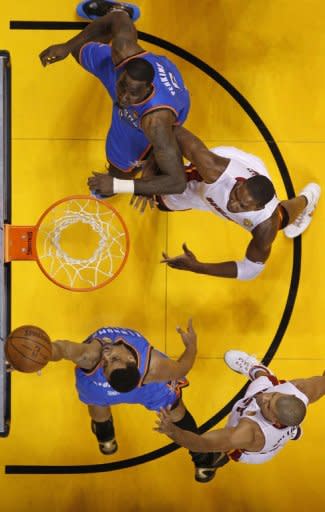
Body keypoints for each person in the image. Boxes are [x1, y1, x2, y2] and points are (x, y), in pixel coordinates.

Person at [39, 1, 190, 197]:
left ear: (148, 88)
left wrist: (118, 185)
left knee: (120, 172)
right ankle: (115, 6)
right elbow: (118, 20)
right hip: (137, 81)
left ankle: (129, 170)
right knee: (80, 47)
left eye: (132, 93)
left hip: (147, 112)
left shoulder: (155, 123)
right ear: (121, 66)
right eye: (122, 87)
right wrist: (67, 47)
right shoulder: (123, 50)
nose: (124, 97)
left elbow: (178, 183)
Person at [137, 126, 320, 281]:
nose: (233, 205)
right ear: (239, 184)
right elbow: (173, 131)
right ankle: (151, 164)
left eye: (242, 206)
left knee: (281, 219)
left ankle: (309, 198)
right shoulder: (213, 170)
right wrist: (149, 175)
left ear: (256, 208)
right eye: (235, 196)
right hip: (217, 171)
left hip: (251, 183)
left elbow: (250, 269)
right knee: (165, 191)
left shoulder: (265, 224)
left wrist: (198, 267)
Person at [50, 319, 222, 483]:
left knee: (96, 400)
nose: (106, 356)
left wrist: (45, 352)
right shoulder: (154, 367)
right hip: (148, 388)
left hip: (100, 387)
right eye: (109, 363)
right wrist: (192, 346)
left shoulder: (92, 356)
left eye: (110, 361)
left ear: (132, 360)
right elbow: (182, 368)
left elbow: (63, 349)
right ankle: (204, 461)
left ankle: (106, 438)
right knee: (175, 409)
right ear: (130, 360)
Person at [155, 349, 325, 471]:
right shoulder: (301, 390)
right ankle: (257, 371)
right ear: (294, 397)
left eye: (268, 405)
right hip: (279, 421)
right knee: (269, 383)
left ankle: (215, 463)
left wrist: (172, 431)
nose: (265, 397)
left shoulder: (249, 433)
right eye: (273, 396)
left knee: (218, 451)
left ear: (275, 420)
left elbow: (201, 443)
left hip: (255, 449)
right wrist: (271, 397)